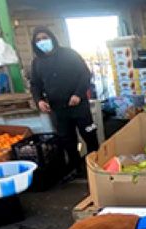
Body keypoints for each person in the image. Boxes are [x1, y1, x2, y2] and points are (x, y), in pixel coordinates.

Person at [30, 26, 98, 177]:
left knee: (89, 134)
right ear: (35, 44)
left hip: (79, 105)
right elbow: (35, 84)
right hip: (58, 109)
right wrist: (39, 100)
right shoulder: (37, 63)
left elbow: (85, 74)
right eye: (38, 40)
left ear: (52, 38)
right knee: (67, 140)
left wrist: (78, 94)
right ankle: (76, 168)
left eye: (45, 38)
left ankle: (97, 164)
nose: (42, 42)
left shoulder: (69, 54)